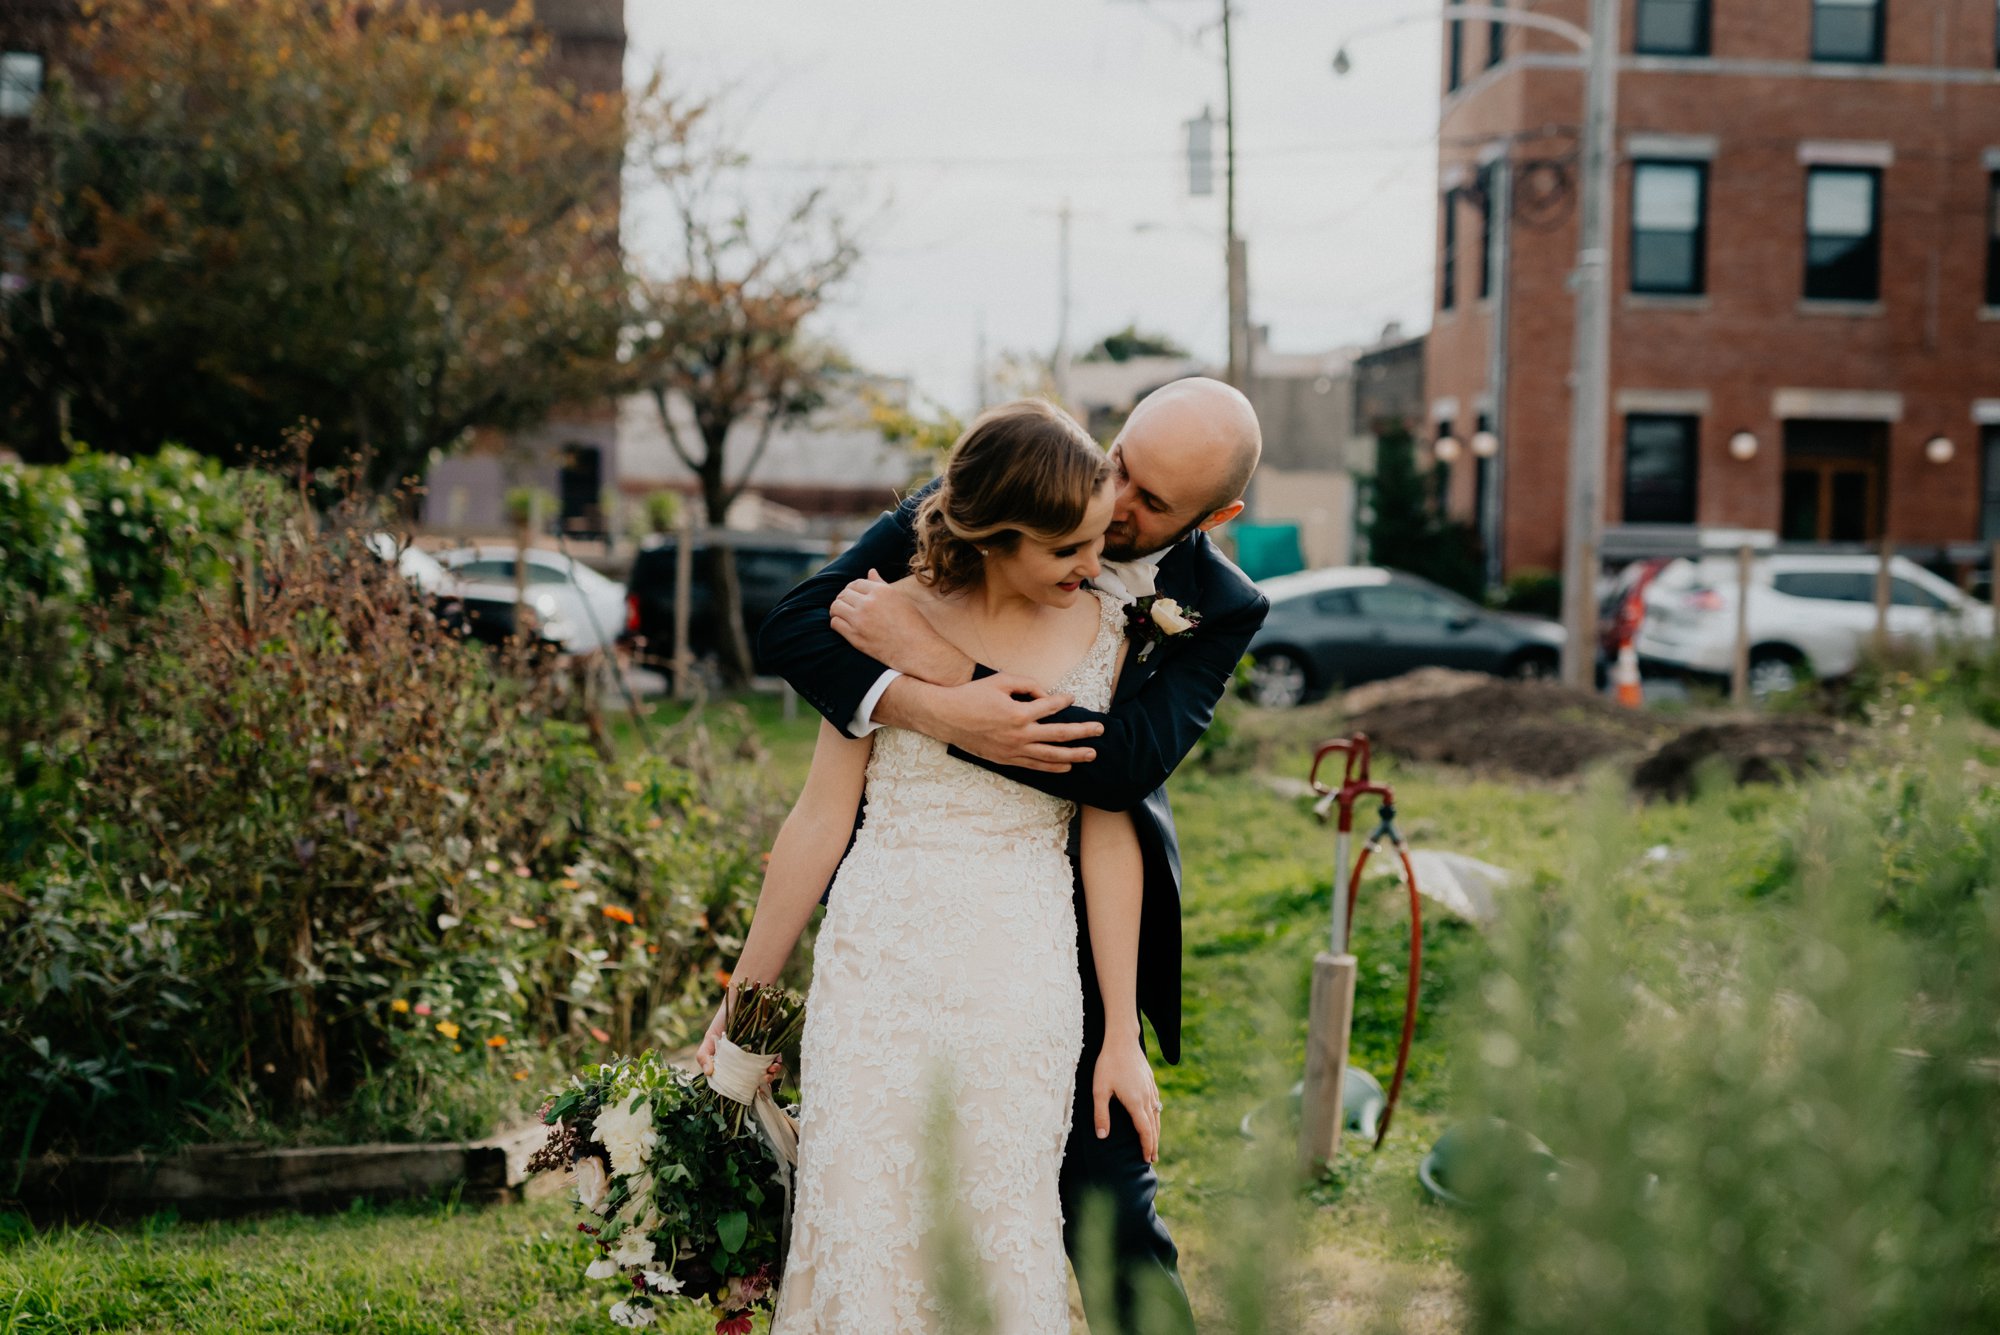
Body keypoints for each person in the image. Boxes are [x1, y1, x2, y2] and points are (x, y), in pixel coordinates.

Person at [757, 377, 1268, 1333]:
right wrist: (928, 706)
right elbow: (796, 626)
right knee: (874, 1198)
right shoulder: (1014, 485)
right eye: (1121, 464)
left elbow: (1119, 768)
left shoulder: (1220, 606)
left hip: (1061, 931)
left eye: (1151, 502)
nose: (1113, 502)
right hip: (904, 919)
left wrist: (944, 670)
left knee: (1109, 1211)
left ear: (1217, 515)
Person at [698, 399, 1161, 1331]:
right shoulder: (885, 612)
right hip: (878, 960)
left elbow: (1111, 834)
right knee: (860, 1209)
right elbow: (819, 817)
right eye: (1067, 548)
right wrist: (740, 998)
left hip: (1020, 970)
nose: (1093, 560)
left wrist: (1121, 1032)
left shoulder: (1110, 634)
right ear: (994, 537)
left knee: (998, 1221)